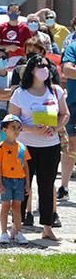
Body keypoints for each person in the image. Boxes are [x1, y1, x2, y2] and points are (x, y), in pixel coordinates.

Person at [9, 54, 68, 240]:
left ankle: (47, 227)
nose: (44, 68)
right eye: (40, 65)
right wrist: (32, 129)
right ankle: (16, 227)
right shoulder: (20, 93)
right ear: (32, 69)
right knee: (22, 186)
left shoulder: (56, 91)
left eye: (47, 65)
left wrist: (55, 128)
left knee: (46, 185)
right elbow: (12, 120)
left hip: (50, 146)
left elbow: (64, 114)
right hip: (26, 146)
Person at [0, 114, 31, 244]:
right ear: (5, 130)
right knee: (5, 206)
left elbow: (26, 166)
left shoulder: (22, 147)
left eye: (19, 128)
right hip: (6, 180)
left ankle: (18, 232)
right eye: (13, 127)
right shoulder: (0, 148)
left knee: (17, 207)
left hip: (20, 180)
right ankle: (4, 233)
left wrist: (27, 184)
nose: (16, 131)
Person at [60, 30, 76, 201]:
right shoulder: (73, 47)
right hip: (74, 102)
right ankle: (64, 186)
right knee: (72, 144)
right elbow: (68, 70)